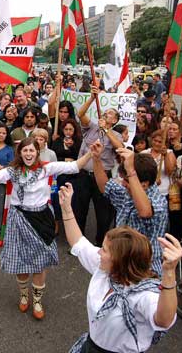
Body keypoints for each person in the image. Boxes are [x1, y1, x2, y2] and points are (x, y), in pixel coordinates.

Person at [58, 183, 182, 353]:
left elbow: (164, 321)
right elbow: (79, 243)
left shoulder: (144, 293)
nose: (99, 252)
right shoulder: (105, 269)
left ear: (121, 260)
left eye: (104, 249)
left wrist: (169, 273)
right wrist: (66, 209)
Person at [0, 137, 91, 320]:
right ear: (20, 153)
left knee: (41, 261)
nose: (28, 154)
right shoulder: (11, 171)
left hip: (43, 218)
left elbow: (75, 166)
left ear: (37, 152)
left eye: (31, 150)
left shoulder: (46, 168)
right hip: (19, 218)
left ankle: (38, 300)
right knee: (21, 260)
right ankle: (24, 294)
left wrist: (91, 153)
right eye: (25, 150)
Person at [92, 142, 169, 276]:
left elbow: (145, 212)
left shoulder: (158, 201)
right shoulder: (127, 193)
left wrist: (131, 171)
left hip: (145, 269)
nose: (122, 183)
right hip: (122, 262)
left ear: (144, 184)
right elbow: (105, 187)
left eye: (126, 180)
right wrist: (97, 159)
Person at [75, 85, 124, 246]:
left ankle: (100, 244)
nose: (106, 114)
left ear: (115, 120)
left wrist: (106, 130)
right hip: (84, 175)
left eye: (110, 113)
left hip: (102, 177)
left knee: (103, 213)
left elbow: (119, 148)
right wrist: (91, 98)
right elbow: (80, 114)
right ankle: (78, 241)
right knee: (79, 209)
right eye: (105, 111)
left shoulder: (115, 134)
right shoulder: (92, 128)